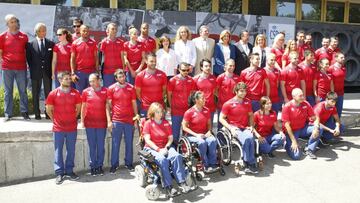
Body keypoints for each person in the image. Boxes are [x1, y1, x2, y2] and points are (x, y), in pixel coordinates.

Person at [143, 102, 190, 197]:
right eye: (157, 112)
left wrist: (167, 147)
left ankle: (182, 182)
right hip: (152, 148)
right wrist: (158, 149)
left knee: (176, 156)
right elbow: (147, 140)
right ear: (152, 113)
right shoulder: (148, 123)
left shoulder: (166, 123)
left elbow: (170, 138)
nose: (160, 114)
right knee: (162, 160)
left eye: (161, 112)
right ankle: (169, 186)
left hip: (166, 146)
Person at [46, 71, 82, 184]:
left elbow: (78, 109)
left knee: (71, 150)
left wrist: (72, 118)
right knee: (58, 151)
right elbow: (49, 110)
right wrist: (55, 120)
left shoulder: (76, 93)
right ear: (60, 80)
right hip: (58, 128)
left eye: (69, 78)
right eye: (66, 79)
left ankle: (70, 171)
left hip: (72, 127)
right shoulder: (53, 93)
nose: (69, 80)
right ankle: (59, 173)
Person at [219, 82, 258, 174]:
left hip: (245, 127)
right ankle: (248, 162)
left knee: (250, 137)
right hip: (235, 128)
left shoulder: (247, 102)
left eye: (245, 91)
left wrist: (251, 126)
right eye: (241, 91)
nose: (244, 93)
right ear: (236, 91)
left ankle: (248, 161)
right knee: (247, 138)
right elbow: (221, 118)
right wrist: (230, 128)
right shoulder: (228, 104)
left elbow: (251, 115)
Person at [108, 69, 139, 173]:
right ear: (116, 78)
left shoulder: (131, 88)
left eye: (123, 76)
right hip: (117, 120)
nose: (122, 78)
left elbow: (134, 103)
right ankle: (114, 165)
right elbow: (108, 106)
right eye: (120, 77)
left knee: (129, 143)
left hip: (129, 120)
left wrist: (135, 118)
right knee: (115, 143)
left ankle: (129, 163)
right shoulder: (111, 88)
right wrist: (109, 121)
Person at [0, 14, 30, 121]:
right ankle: (8, 114)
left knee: (23, 91)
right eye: (11, 22)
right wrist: (2, 62)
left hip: (21, 68)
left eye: (15, 21)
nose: (14, 23)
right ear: (7, 24)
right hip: (7, 68)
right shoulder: (2, 36)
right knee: (8, 92)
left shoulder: (24, 36)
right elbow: (1, 52)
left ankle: (24, 112)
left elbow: (27, 52)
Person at [81, 73, 111, 176]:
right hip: (89, 123)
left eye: (93, 81)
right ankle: (93, 166)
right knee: (92, 146)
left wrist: (109, 121)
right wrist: (82, 120)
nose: (91, 83)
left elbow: (107, 107)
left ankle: (99, 166)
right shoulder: (85, 92)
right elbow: (83, 107)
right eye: (90, 81)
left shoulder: (105, 91)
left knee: (101, 146)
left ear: (99, 80)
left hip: (101, 124)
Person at [282, 88, 322, 160]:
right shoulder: (287, 107)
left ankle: (309, 149)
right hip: (292, 131)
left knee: (319, 128)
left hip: (303, 129)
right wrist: (293, 141)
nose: (303, 97)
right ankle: (286, 144)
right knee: (296, 156)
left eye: (303, 95)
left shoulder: (306, 103)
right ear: (294, 97)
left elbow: (315, 118)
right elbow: (287, 126)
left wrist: (316, 128)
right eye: (300, 96)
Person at [182, 91, 218, 172]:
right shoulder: (189, 112)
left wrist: (209, 131)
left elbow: (209, 123)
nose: (205, 100)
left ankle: (213, 163)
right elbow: (184, 127)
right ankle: (205, 164)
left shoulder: (207, 110)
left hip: (205, 134)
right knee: (202, 143)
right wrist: (196, 135)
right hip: (193, 135)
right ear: (196, 100)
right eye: (203, 98)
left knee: (212, 140)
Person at [26, 23, 55, 120]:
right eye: (42, 30)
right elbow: (29, 59)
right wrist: (34, 69)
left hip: (47, 72)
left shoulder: (51, 43)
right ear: (37, 32)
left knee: (48, 94)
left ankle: (48, 113)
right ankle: (37, 114)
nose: (44, 32)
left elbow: (52, 59)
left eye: (45, 30)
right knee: (35, 93)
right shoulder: (30, 44)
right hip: (35, 72)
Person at [168, 62, 196, 142]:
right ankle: (174, 150)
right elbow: (169, 95)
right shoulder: (172, 80)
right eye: (183, 70)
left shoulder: (191, 80)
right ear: (179, 70)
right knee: (175, 134)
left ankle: (184, 150)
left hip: (187, 111)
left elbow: (193, 95)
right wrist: (170, 107)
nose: (186, 72)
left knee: (186, 133)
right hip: (176, 111)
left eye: (187, 70)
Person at [70, 25, 99, 94]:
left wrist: (97, 71)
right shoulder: (75, 43)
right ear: (80, 31)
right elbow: (72, 59)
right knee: (80, 95)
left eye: (87, 31)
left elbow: (96, 58)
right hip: (79, 73)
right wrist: (73, 73)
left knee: (91, 94)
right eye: (84, 31)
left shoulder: (93, 42)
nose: (86, 32)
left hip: (91, 72)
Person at [216, 58, 240, 129]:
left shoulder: (237, 78)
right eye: (230, 65)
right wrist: (221, 98)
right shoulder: (220, 77)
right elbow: (215, 91)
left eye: (233, 66)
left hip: (233, 106)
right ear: (225, 66)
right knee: (221, 126)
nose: (232, 67)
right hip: (222, 105)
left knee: (232, 125)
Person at [99, 23, 125, 87]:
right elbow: (100, 57)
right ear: (107, 30)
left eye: (116, 29)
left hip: (119, 72)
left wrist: (124, 69)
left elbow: (123, 57)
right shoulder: (103, 42)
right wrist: (99, 70)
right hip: (107, 72)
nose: (114, 31)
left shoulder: (121, 42)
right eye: (112, 29)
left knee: (119, 92)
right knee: (108, 92)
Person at [328, 52, 346, 118]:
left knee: (339, 111)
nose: (343, 59)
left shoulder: (343, 68)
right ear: (336, 58)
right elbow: (330, 82)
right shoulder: (330, 68)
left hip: (341, 93)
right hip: (333, 94)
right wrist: (332, 94)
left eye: (344, 57)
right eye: (341, 57)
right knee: (331, 111)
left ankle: (338, 125)